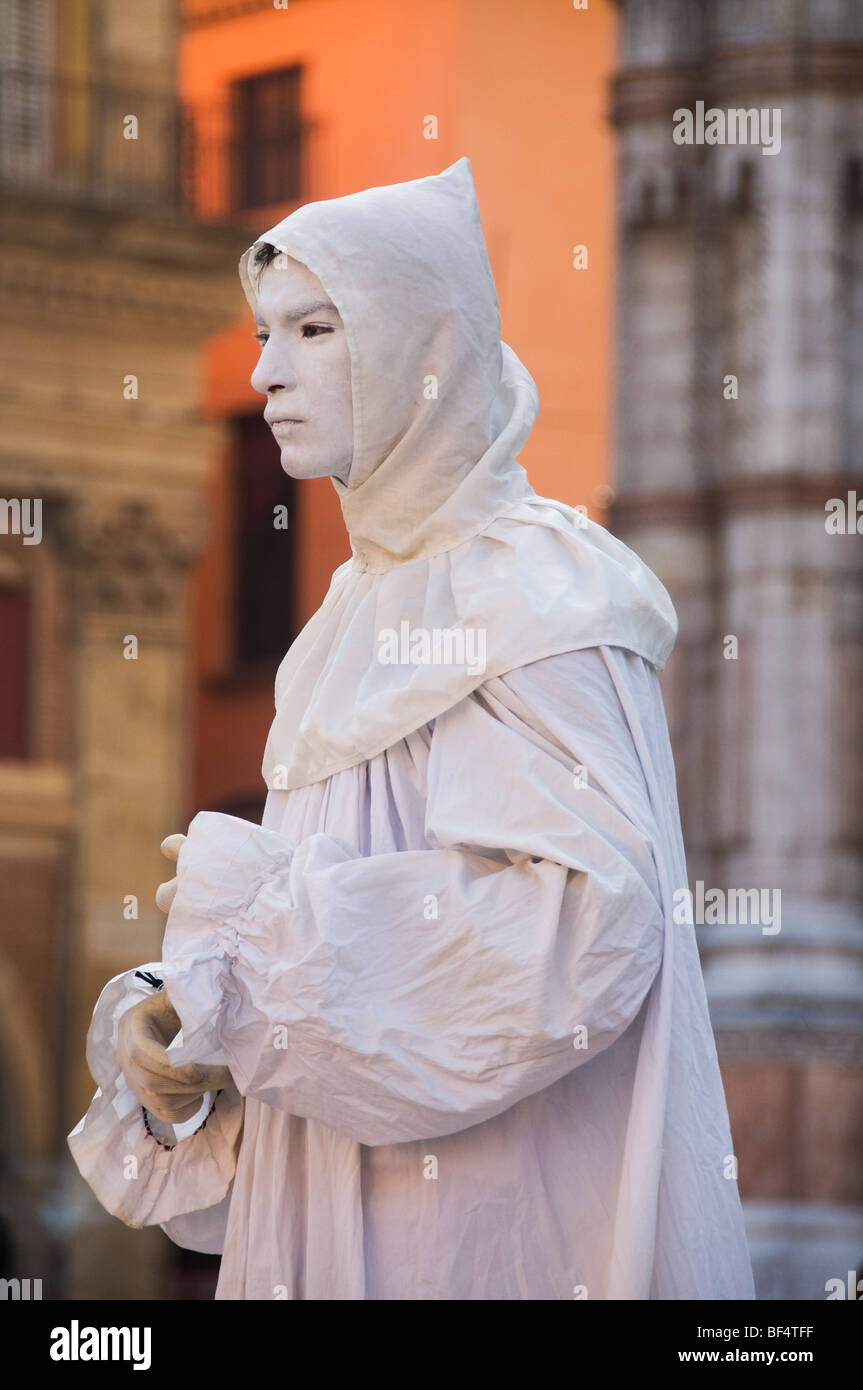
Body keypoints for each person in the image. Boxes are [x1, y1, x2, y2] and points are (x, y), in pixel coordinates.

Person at [68, 158, 755, 1300]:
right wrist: (187, 1025)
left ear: (422, 348)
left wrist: (252, 944)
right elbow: (339, 995)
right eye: (260, 333)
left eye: (313, 329)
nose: (264, 372)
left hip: (486, 1238)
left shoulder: (536, 588)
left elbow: (581, 931)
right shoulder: (346, 618)